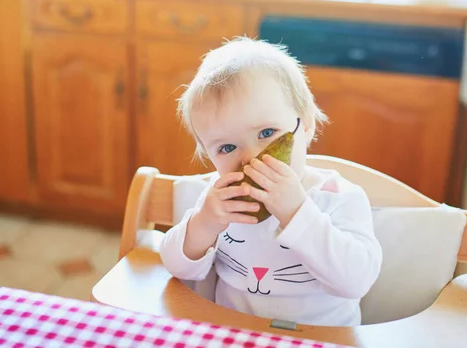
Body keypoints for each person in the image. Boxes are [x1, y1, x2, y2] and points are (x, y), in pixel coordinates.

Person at [159, 36, 382, 326]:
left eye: (266, 133)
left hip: (321, 338)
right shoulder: (220, 199)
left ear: (306, 124)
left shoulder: (337, 197)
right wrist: (204, 223)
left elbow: (356, 281)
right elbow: (177, 267)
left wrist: (296, 212)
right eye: (226, 148)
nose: (251, 158)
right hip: (234, 334)